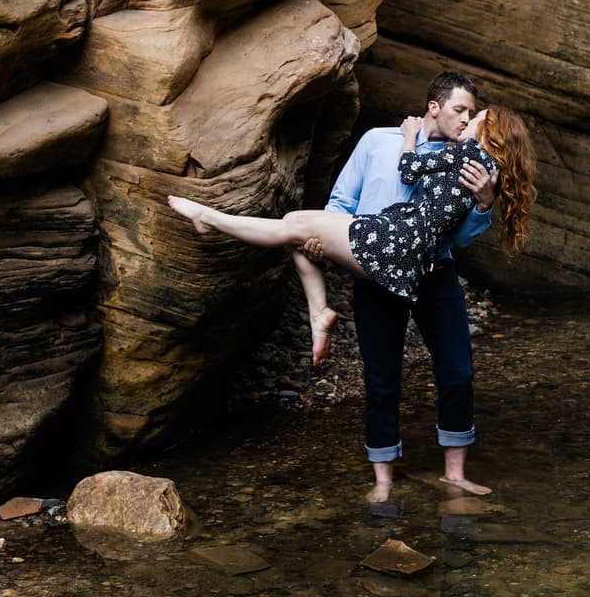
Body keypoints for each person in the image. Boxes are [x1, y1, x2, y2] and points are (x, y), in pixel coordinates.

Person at [167, 79, 535, 501]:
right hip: (371, 263)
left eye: (474, 115)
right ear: (434, 106)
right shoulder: (378, 141)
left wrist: (485, 203)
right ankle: (383, 481)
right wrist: (322, 242)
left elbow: (461, 239)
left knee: (457, 373)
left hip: (434, 274)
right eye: (461, 110)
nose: (467, 119)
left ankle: (455, 473)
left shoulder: (459, 158)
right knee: (381, 380)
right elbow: (341, 204)